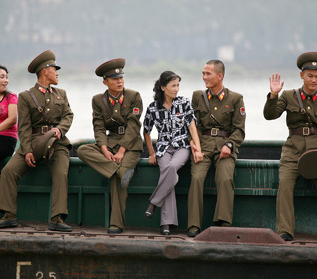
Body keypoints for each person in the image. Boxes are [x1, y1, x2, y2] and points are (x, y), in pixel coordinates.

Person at [0, 50, 74, 232]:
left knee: (60, 174)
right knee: (9, 171)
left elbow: (68, 116)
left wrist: (60, 130)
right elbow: (24, 127)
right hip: (33, 142)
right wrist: (26, 151)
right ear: (44, 71)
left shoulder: (61, 94)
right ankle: (9, 215)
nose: (57, 73)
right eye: (54, 69)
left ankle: (57, 218)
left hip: (57, 144)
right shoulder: (26, 96)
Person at [77, 58, 143, 234]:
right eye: (115, 79)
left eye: (121, 77)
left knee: (119, 179)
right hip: (110, 142)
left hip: (130, 145)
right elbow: (98, 128)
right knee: (83, 150)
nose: (119, 81)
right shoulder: (98, 100)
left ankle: (116, 224)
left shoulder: (134, 96)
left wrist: (122, 150)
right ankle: (116, 168)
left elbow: (134, 126)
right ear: (105, 82)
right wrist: (105, 150)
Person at [264, 52, 317, 241]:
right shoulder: (289, 96)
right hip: (293, 150)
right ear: (302, 75)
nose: (314, 79)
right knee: (285, 185)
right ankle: (285, 231)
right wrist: (273, 95)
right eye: (310, 75)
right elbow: (270, 115)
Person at [187, 60, 246, 237]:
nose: (204, 77)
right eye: (203, 73)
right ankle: (193, 225)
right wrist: (195, 146)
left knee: (225, 178)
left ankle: (223, 223)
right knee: (196, 178)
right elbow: (193, 125)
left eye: (208, 74)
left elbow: (239, 129)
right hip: (202, 144)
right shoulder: (197, 96)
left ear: (220, 76)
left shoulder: (235, 98)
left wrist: (229, 145)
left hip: (225, 146)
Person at [143, 71, 203, 235]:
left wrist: (197, 149)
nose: (176, 89)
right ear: (163, 87)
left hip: (182, 146)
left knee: (170, 169)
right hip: (162, 149)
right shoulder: (153, 107)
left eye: (178, 85)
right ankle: (167, 224)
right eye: (173, 86)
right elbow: (146, 131)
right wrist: (151, 153)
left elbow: (192, 127)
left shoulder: (184, 103)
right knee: (167, 173)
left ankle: (153, 204)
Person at [0, 65, 18, 161]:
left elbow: (12, 119)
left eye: (6, 77)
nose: (6, 80)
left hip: (6, 139)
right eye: (2, 77)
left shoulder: (11, 97)